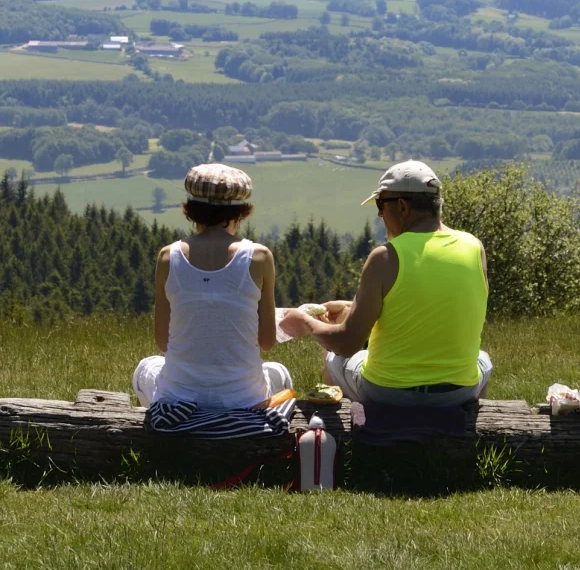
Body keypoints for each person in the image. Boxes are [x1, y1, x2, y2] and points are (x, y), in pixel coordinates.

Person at [281, 160, 491, 407]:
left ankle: (346, 437)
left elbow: (347, 344)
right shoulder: (474, 248)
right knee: (483, 359)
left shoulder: (385, 257)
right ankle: (468, 437)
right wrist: (354, 305)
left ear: (401, 206)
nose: (380, 216)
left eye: (381, 206)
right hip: (458, 393)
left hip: (389, 393)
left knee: (333, 360)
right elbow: (436, 304)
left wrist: (305, 322)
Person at [133, 163, 292, 409]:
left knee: (145, 367)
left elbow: (163, 342)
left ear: (191, 210)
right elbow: (267, 342)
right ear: (241, 212)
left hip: (179, 399)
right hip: (243, 401)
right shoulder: (260, 257)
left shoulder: (168, 257)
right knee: (278, 371)